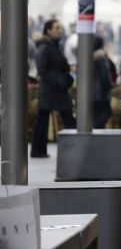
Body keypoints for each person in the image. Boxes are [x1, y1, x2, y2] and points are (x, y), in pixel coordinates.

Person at [30, 19, 76, 158]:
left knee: (67, 117)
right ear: (48, 30)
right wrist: (60, 81)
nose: (59, 30)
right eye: (56, 28)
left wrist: (67, 76)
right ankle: (38, 150)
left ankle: (75, 147)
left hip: (58, 89)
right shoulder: (44, 47)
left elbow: (61, 66)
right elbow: (42, 69)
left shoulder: (56, 46)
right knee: (44, 119)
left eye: (59, 27)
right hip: (50, 89)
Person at [93, 35, 116, 129]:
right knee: (106, 113)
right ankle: (95, 128)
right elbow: (105, 76)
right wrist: (110, 85)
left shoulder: (87, 58)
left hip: (91, 93)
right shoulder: (102, 58)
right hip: (101, 93)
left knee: (97, 115)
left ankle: (96, 131)